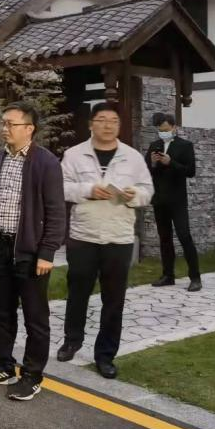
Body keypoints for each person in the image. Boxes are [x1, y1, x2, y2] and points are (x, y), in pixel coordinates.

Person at [58, 102, 153, 380]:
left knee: (114, 299)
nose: (108, 125)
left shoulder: (132, 157)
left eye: (113, 120)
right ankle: (72, 341)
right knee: (77, 293)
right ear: (91, 124)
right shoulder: (74, 154)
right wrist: (88, 190)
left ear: (119, 126)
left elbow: (148, 191)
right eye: (101, 119)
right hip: (83, 236)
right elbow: (60, 187)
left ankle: (106, 355)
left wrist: (134, 195)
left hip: (118, 237)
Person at [0, 102, 65, 402]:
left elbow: (56, 212)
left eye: (11, 124)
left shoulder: (46, 163)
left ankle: (31, 374)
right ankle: (2, 364)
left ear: (29, 129)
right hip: (0, 247)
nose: (4, 128)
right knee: (1, 311)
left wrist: (47, 252)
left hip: (30, 251)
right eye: (3, 122)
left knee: (35, 317)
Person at [146, 113, 202, 291]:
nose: (163, 132)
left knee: (184, 236)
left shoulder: (185, 146)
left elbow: (190, 171)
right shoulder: (154, 146)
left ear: (173, 127)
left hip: (177, 201)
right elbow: (147, 172)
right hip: (159, 200)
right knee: (165, 239)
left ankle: (195, 277)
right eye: (160, 130)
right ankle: (168, 275)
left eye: (165, 129)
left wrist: (171, 162)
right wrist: (153, 163)